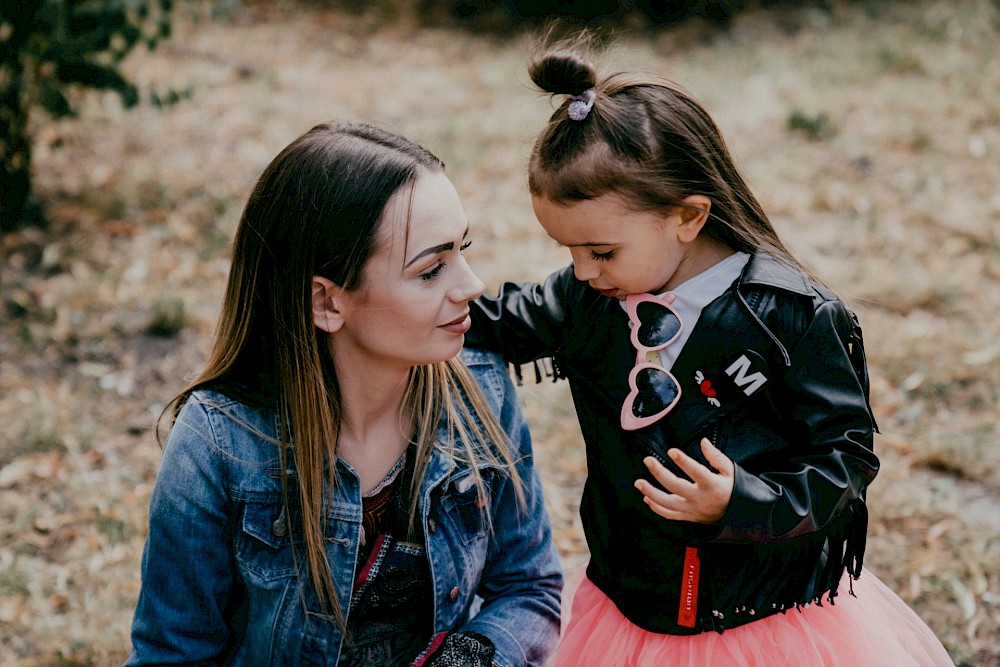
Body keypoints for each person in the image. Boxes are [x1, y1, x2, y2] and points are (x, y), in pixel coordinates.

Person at [466, 43, 954, 666]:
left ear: (689, 216)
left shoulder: (792, 320)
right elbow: (500, 324)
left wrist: (740, 501)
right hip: (631, 602)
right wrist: (408, 301)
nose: (582, 271)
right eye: (569, 252)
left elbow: (845, 460)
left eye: (601, 251)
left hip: (761, 618)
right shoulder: (585, 299)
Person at [125, 121, 562, 667]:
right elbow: (173, 654)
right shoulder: (217, 446)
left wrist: (468, 658)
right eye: (431, 270)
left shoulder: (483, 391)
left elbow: (530, 589)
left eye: (463, 250)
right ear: (326, 303)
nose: (471, 285)